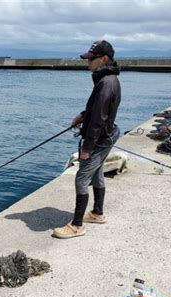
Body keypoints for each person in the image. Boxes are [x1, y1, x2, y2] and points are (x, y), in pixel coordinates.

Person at [53, 40, 121, 239]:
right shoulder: (106, 80)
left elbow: (99, 119)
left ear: (104, 59)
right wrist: (83, 115)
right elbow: (97, 109)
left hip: (100, 139)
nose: (88, 62)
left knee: (82, 177)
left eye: (91, 59)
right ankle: (97, 213)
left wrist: (87, 148)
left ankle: (77, 225)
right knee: (97, 172)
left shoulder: (106, 83)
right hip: (107, 136)